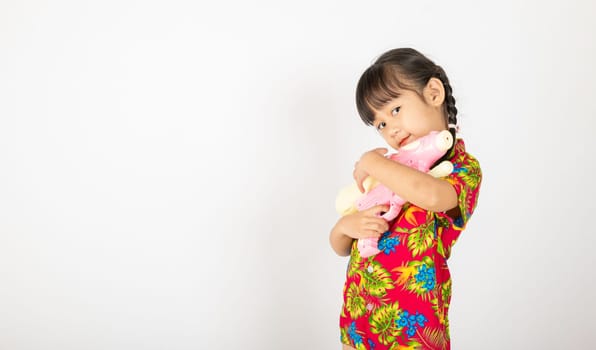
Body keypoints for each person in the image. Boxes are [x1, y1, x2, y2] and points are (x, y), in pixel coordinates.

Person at [329, 48, 482, 350]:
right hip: (360, 321)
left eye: (395, 110)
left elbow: (431, 196)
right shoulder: (389, 169)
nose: (390, 129)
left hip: (414, 329)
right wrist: (347, 225)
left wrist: (373, 163)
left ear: (434, 93)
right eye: (381, 124)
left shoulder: (461, 168)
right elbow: (339, 246)